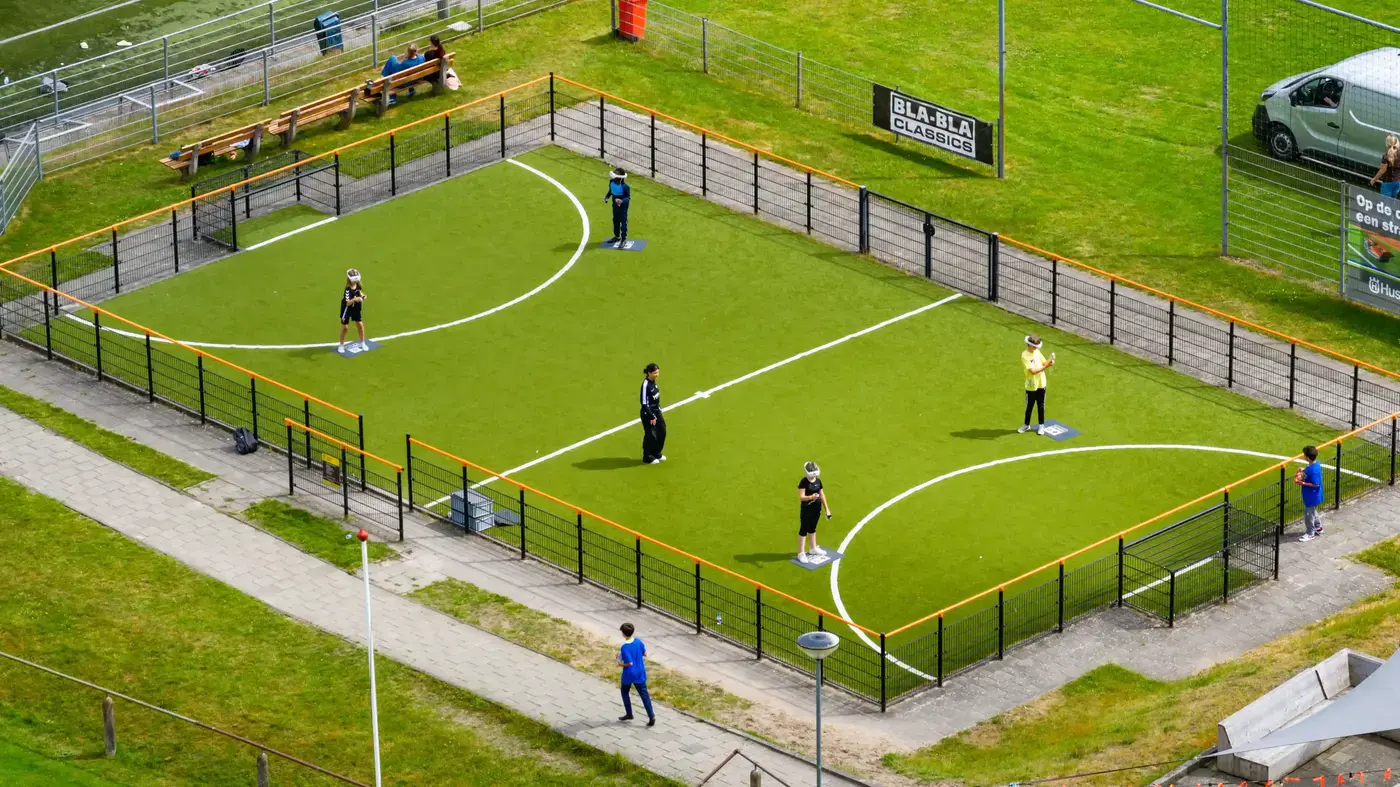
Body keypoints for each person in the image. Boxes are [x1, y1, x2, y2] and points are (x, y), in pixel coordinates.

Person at [616, 622, 655, 726]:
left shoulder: (624, 647)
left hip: (629, 673)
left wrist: (620, 664)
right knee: (644, 694)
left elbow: (629, 663)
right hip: (640, 671)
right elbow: (645, 653)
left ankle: (629, 713)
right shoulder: (638, 641)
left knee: (624, 691)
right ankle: (651, 716)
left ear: (623, 634)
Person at [797, 461, 832, 564]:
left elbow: (822, 495)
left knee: (812, 528)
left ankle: (813, 548)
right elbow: (801, 497)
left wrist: (827, 509)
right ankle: (801, 553)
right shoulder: (804, 482)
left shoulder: (818, 481)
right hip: (806, 509)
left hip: (816, 508)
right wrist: (811, 497)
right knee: (804, 529)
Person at [1019, 334, 1055, 434]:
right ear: (1029, 345)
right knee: (1029, 406)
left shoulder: (1037, 352)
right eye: (1035, 346)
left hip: (1041, 383)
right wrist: (1046, 366)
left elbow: (1045, 363)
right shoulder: (1024, 355)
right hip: (1031, 385)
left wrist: (1051, 360)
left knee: (1041, 405)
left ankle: (1041, 426)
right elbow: (1033, 371)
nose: (1036, 348)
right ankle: (1026, 425)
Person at [1295, 445, 1325, 542]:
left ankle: (1310, 533)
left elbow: (1316, 484)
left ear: (1307, 457)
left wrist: (1302, 483)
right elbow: (1310, 471)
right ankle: (1318, 527)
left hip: (1312, 496)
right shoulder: (1315, 465)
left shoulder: (1313, 469)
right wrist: (1303, 470)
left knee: (1309, 515)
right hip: (1313, 496)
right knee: (1313, 512)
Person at [639, 363, 666, 464]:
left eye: (658, 372)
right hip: (648, 414)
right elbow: (644, 403)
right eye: (655, 373)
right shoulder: (646, 385)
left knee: (662, 431)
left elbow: (655, 400)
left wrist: (658, 409)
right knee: (650, 435)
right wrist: (651, 416)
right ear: (649, 373)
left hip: (656, 412)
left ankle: (656, 452)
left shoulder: (653, 382)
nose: (657, 374)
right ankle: (647, 456)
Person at [338, 268, 367, 352]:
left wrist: (363, 296)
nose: (355, 282)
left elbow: (359, 292)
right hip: (347, 309)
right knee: (345, 328)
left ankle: (362, 342)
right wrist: (355, 299)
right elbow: (347, 303)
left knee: (360, 325)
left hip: (356, 308)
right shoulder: (347, 289)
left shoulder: (357, 285)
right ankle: (341, 345)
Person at [604, 168, 631, 245]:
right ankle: (617, 236)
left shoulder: (625, 187)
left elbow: (628, 198)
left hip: (623, 207)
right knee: (615, 220)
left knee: (623, 222)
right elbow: (610, 191)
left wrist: (622, 201)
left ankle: (623, 239)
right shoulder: (611, 182)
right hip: (615, 206)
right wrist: (606, 197)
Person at [1370, 135, 1400, 200]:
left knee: (1385, 204)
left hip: (1387, 183)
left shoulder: (1386, 155)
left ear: (1387, 144)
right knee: (1393, 202)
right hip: (1398, 182)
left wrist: (1374, 179)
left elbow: (1382, 170)